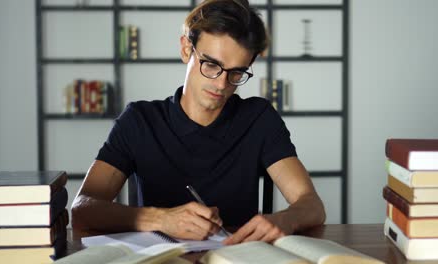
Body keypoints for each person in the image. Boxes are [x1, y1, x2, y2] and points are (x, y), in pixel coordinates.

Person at [72, 0, 325, 245]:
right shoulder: (139, 121)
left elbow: (311, 204)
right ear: (186, 48)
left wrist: (285, 220)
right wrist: (160, 219)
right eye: (211, 64)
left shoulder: (259, 119)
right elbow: (82, 209)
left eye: (236, 72)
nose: (221, 84)